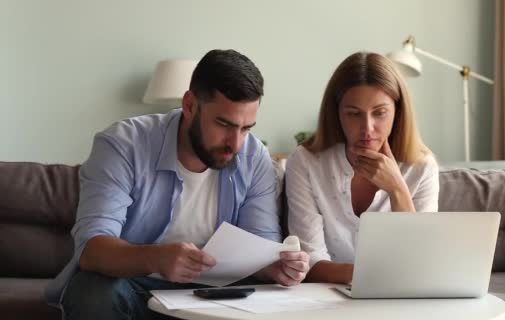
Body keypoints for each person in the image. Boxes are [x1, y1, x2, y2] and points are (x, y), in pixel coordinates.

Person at [45, 49, 310, 320]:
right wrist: (155, 258)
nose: (235, 143)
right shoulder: (123, 145)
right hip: (133, 285)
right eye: (223, 123)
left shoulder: (253, 157)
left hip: (214, 295)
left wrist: (276, 266)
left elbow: (260, 247)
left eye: (246, 128)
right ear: (190, 105)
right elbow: (92, 250)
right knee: (93, 293)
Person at [285, 51, 439, 284]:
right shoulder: (306, 161)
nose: (367, 128)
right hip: (326, 296)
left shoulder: (421, 166)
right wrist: (372, 277)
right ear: (337, 113)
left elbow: (424, 263)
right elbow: (310, 261)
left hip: (400, 298)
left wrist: (397, 189)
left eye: (380, 113)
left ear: (398, 112)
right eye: (354, 114)